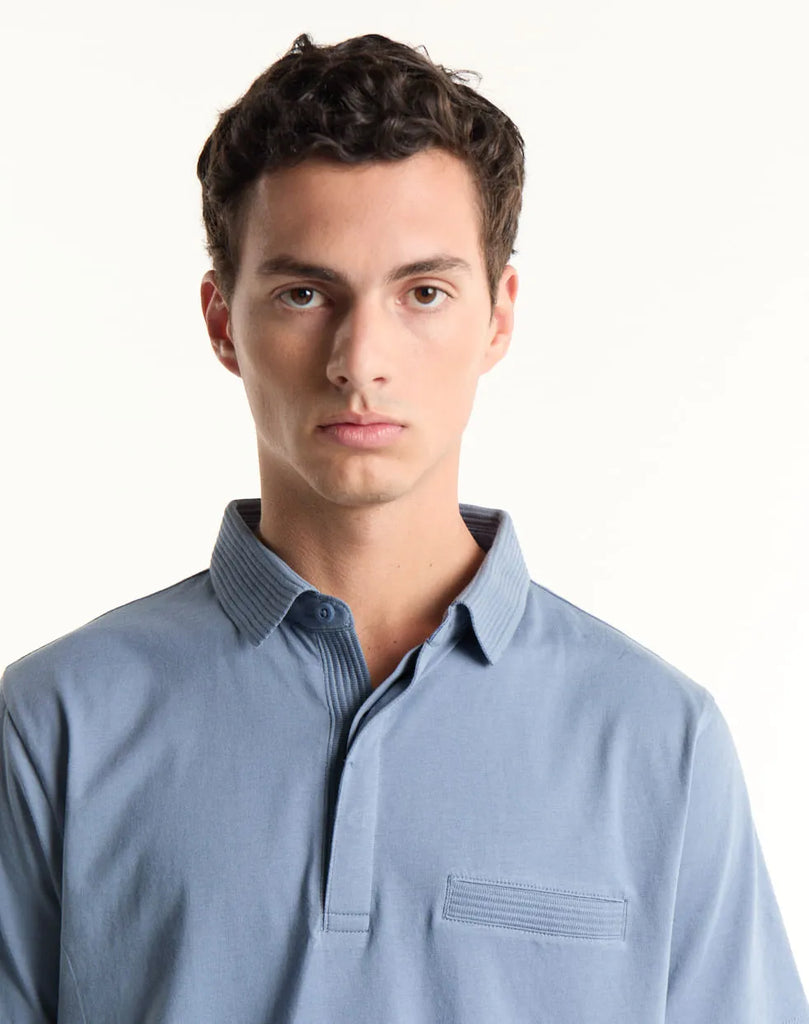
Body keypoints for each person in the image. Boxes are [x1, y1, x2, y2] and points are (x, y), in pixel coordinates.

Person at [0, 30, 806, 1024]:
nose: (359, 358)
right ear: (221, 321)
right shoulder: (57, 722)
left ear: (497, 316)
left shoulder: (657, 740)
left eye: (422, 292)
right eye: (304, 293)